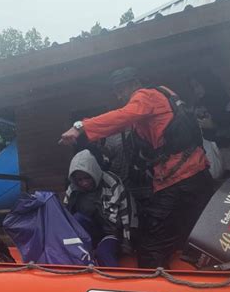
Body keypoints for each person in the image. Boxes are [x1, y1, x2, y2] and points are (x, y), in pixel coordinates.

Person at [60, 67, 214, 268]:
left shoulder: (145, 97)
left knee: (151, 245)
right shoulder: (164, 96)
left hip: (179, 180)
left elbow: (123, 116)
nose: (118, 95)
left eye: (120, 89)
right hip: (195, 175)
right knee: (182, 237)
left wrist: (81, 126)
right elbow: (127, 126)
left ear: (134, 84)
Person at [64, 149, 133, 266]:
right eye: (80, 180)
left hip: (110, 233)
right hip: (86, 234)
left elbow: (126, 211)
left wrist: (127, 241)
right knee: (77, 218)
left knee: (104, 253)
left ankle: (115, 282)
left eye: (87, 178)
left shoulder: (111, 183)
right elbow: (64, 216)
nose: (84, 183)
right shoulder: (72, 189)